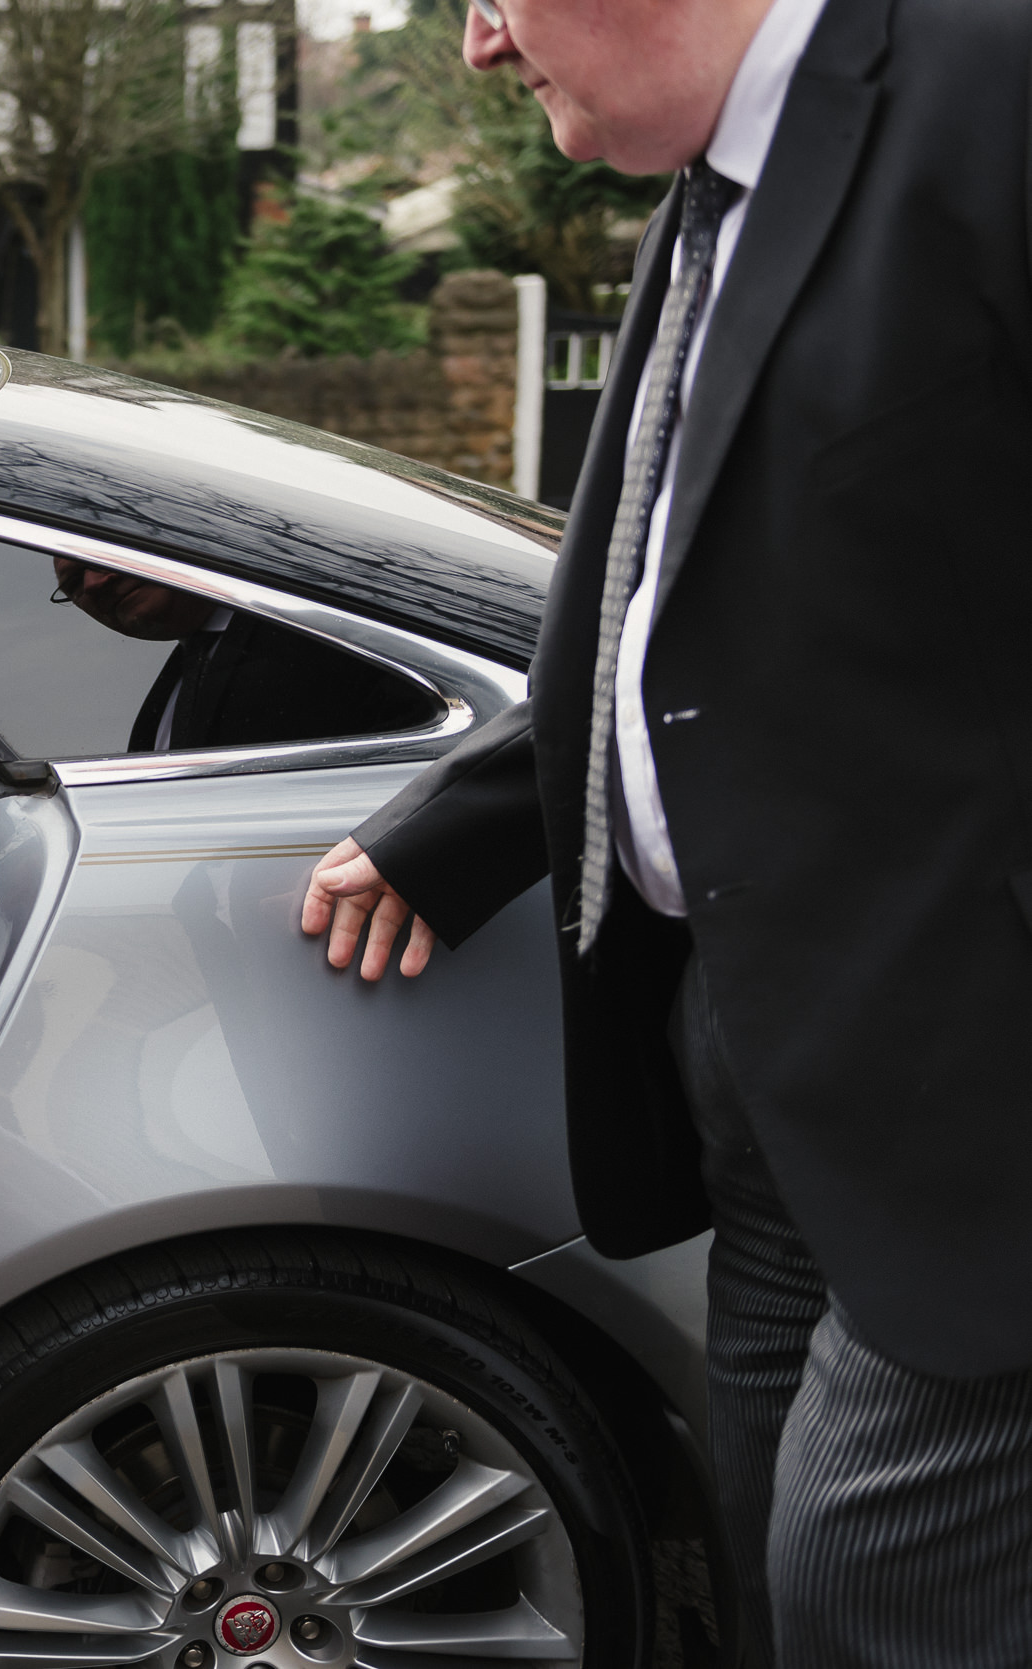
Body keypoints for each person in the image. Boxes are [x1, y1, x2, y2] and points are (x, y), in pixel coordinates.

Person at [297, 0, 1032, 1660]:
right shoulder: (721, 180)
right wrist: (473, 826)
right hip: (756, 1061)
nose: (478, 46)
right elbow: (664, 600)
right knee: (774, 1558)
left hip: (970, 1085)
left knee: (873, 1584)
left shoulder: (996, 89)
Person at [50, 555, 430, 753]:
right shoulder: (171, 693)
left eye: (97, 558)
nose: (95, 582)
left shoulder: (327, 635)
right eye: (72, 584)